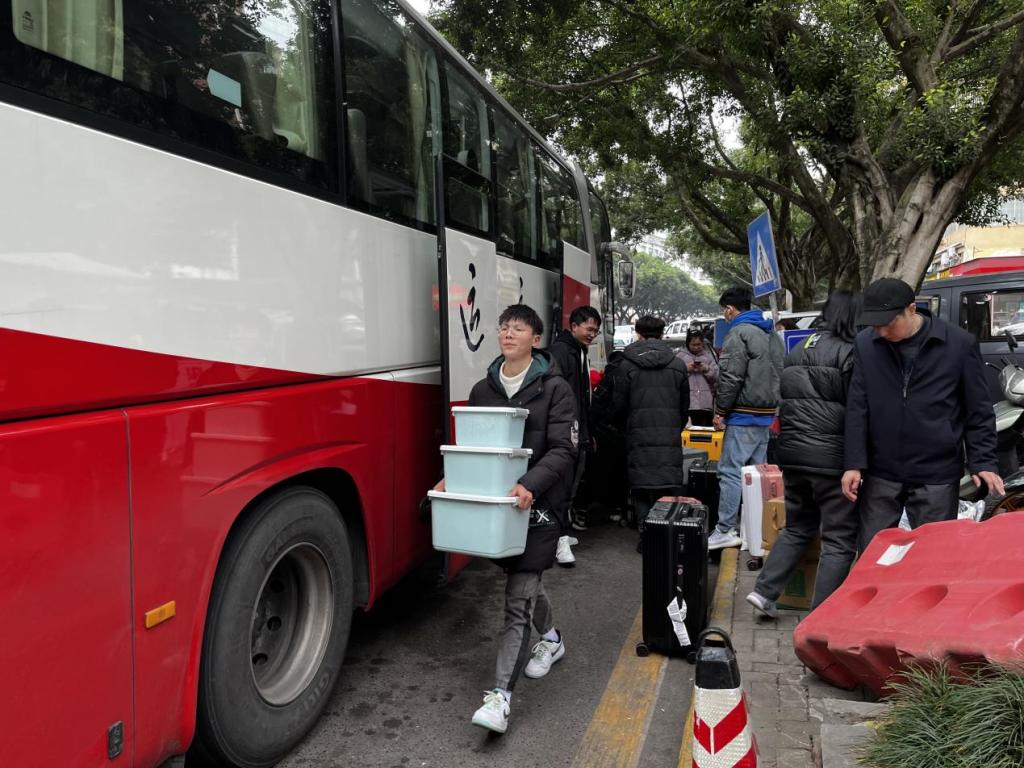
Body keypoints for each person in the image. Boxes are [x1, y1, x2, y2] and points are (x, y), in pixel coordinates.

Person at [434, 304, 577, 734]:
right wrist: (453, 478)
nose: (508, 334)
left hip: (539, 507)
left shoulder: (556, 389)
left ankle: (500, 699)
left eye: (518, 328)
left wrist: (531, 483)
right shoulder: (483, 389)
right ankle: (552, 640)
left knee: (517, 600)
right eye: (503, 328)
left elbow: (563, 450)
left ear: (536, 338)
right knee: (524, 581)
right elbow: (475, 449)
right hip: (497, 509)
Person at [841, 278, 1004, 547]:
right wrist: (854, 463)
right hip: (882, 470)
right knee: (873, 551)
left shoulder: (958, 344)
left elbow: (978, 410)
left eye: (888, 322)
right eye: (875, 324)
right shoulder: (866, 344)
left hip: (937, 471)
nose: (882, 331)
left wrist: (983, 460)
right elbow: (858, 406)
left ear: (912, 309)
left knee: (933, 553)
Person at [745, 291, 862, 618]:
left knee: (797, 527)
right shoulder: (850, 352)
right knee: (839, 540)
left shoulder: (799, 348)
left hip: (794, 455)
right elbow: (857, 409)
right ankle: (820, 616)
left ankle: (763, 592)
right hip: (831, 459)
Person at [593, 315, 689, 538]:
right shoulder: (677, 365)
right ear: (662, 334)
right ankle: (663, 532)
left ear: (638, 333)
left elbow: (618, 404)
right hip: (668, 434)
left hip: (636, 434)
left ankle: (646, 532)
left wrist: (624, 428)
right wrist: (675, 426)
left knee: (641, 485)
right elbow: (684, 406)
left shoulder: (626, 364)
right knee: (665, 484)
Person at [709, 287, 785, 550]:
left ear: (730, 309)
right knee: (756, 475)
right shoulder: (771, 334)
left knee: (730, 472)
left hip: (743, 414)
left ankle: (725, 529)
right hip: (766, 415)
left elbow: (731, 377)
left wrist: (720, 411)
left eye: (724, 311)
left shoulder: (738, 333)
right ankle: (758, 531)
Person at [549, 305, 602, 565]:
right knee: (561, 488)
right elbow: (559, 397)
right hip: (565, 432)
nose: (592, 334)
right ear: (574, 326)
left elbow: (582, 398)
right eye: (589, 329)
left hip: (577, 431)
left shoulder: (578, 350)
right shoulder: (561, 352)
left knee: (571, 486)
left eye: (595, 331)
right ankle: (558, 540)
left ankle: (562, 533)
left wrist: (587, 433)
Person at [678, 330, 719, 427]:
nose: (696, 347)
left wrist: (706, 369)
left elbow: (717, 377)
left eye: (699, 344)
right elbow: (675, 378)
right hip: (688, 404)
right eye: (693, 345)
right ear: (688, 344)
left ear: (702, 343)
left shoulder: (708, 357)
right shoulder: (680, 357)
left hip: (705, 404)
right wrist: (686, 369)